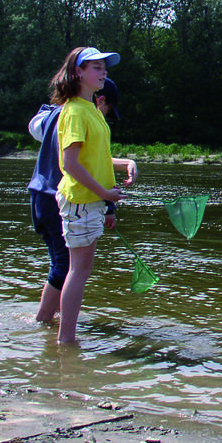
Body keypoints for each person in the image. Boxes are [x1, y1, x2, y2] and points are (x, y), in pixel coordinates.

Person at [29, 76, 138, 326]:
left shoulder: (60, 114)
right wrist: (108, 201)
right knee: (66, 266)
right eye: (108, 109)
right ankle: (43, 323)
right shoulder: (77, 115)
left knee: (64, 264)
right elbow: (76, 165)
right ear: (100, 100)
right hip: (55, 199)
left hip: (41, 196)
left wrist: (127, 164)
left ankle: (50, 323)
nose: (106, 115)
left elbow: (90, 162)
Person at [47, 47, 128, 344]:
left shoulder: (90, 109)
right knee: (78, 271)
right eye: (96, 67)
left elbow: (96, 158)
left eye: (104, 67)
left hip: (91, 201)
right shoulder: (74, 111)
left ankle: (64, 336)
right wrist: (104, 192)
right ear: (78, 72)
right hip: (80, 200)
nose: (103, 71)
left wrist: (109, 196)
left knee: (80, 270)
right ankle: (66, 340)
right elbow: (70, 164)